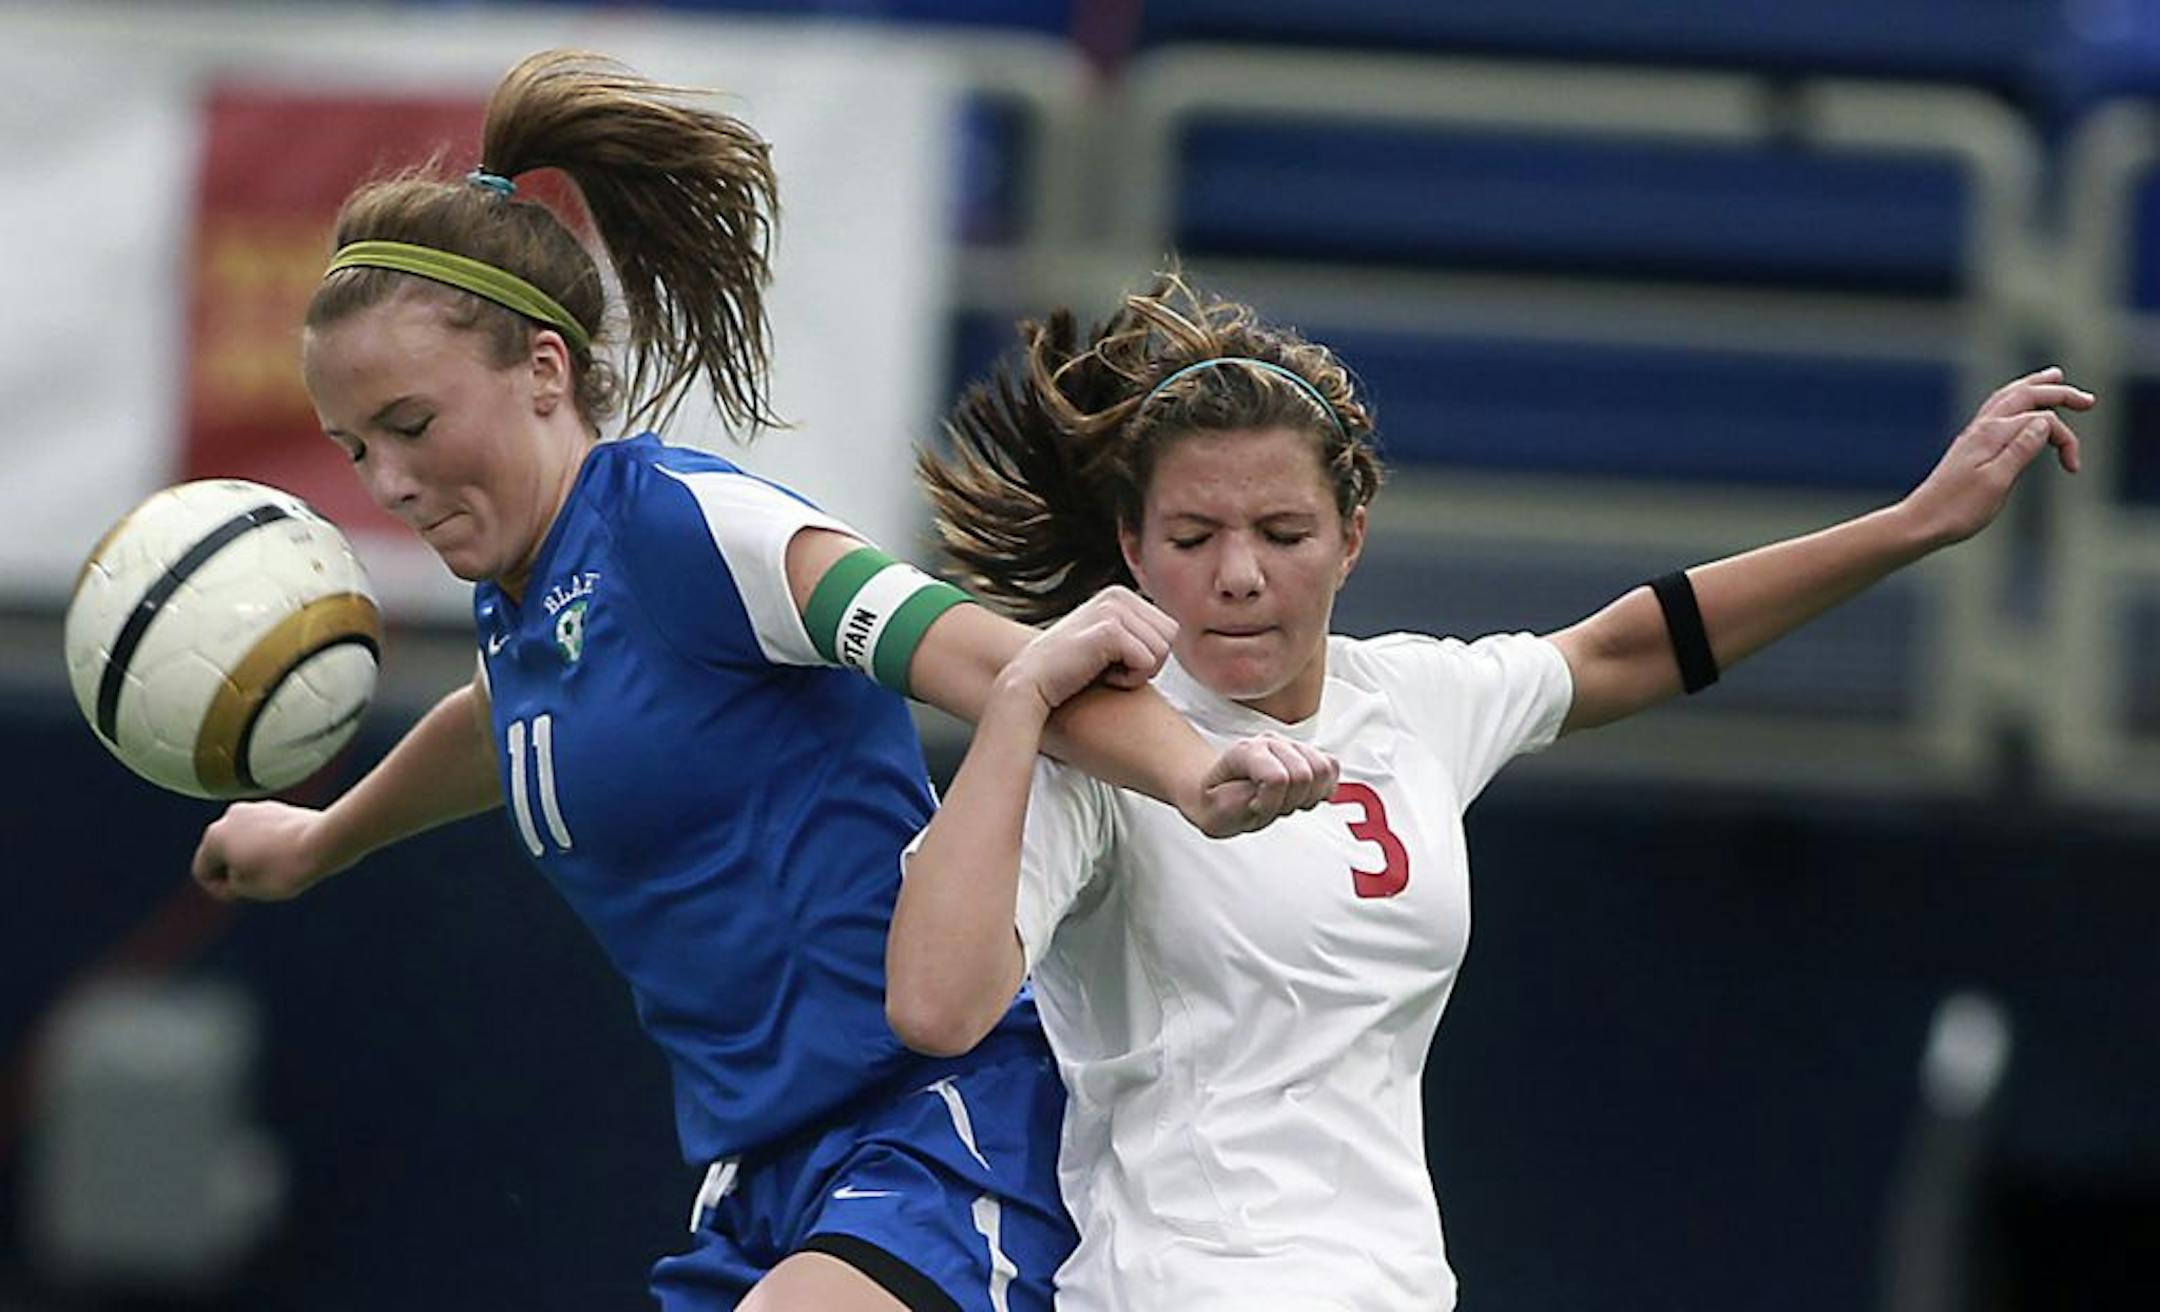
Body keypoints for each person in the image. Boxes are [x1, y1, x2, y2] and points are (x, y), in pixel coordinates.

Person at [185, 55, 1333, 1312]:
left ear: (546, 374)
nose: (387, 482)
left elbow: (1001, 661)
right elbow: (503, 722)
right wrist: (326, 837)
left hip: (940, 1131)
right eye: (354, 448)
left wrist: (1195, 769)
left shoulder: (687, 529)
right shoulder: (523, 607)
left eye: (411, 425)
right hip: (764, 1176)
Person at [888, 273, 2091, 1310]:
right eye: (1194, 536)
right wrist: (1019, 707)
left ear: (1353, 536)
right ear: (1135, 547)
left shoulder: (1411, 702)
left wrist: (1915, 526)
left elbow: (1629, 646)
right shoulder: (1110, 747)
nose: (1240, 574)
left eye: (1283, 531)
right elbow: (937, 1006)